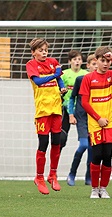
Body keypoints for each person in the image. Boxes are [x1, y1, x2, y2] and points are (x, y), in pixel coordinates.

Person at [79, 46, 112, 198]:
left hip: (110, 123)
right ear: (96, 61)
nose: (106, 64)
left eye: (108, 61)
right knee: (97, 156)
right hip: (95, 123)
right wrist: (98, 118)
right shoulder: (88, 78)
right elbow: (84, 102)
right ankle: (94, 188)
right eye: (103, 61)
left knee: (108, 156)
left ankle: (103, 188)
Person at [25, 38, 68, 195]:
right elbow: (38, 82)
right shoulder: (31, 65)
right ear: (33, 52)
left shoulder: (52, 61)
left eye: (45, 50)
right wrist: (54, 75)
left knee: (56, 142)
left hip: (56, 109)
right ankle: (39, 178)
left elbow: (59, 79)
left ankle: (53, 174)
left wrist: (62, 87)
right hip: (42, 111)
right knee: (43, 144)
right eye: (41, 50)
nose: (44, 53)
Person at [66, 54, 98, 186]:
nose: (96, 67)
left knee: (92, 148)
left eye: (98, 63)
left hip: (95, 118)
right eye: (94, 64)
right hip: (81, 117)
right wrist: (71, 114)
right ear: (88, 66)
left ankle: (88, 176)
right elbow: (72, 98)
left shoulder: (103, 81)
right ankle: (72, 173)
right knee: (84, 145)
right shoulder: (80, 79)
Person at [60, 50, 89, 150]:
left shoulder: (86, 75)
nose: (77, 61)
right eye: (74, 59)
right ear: (69, 61)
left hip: (81, 109)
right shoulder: (64, 74)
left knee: (88, 140)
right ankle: (54, 164)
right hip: (66, 108)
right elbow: (59, 90)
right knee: (61, 139)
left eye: (79, 59)